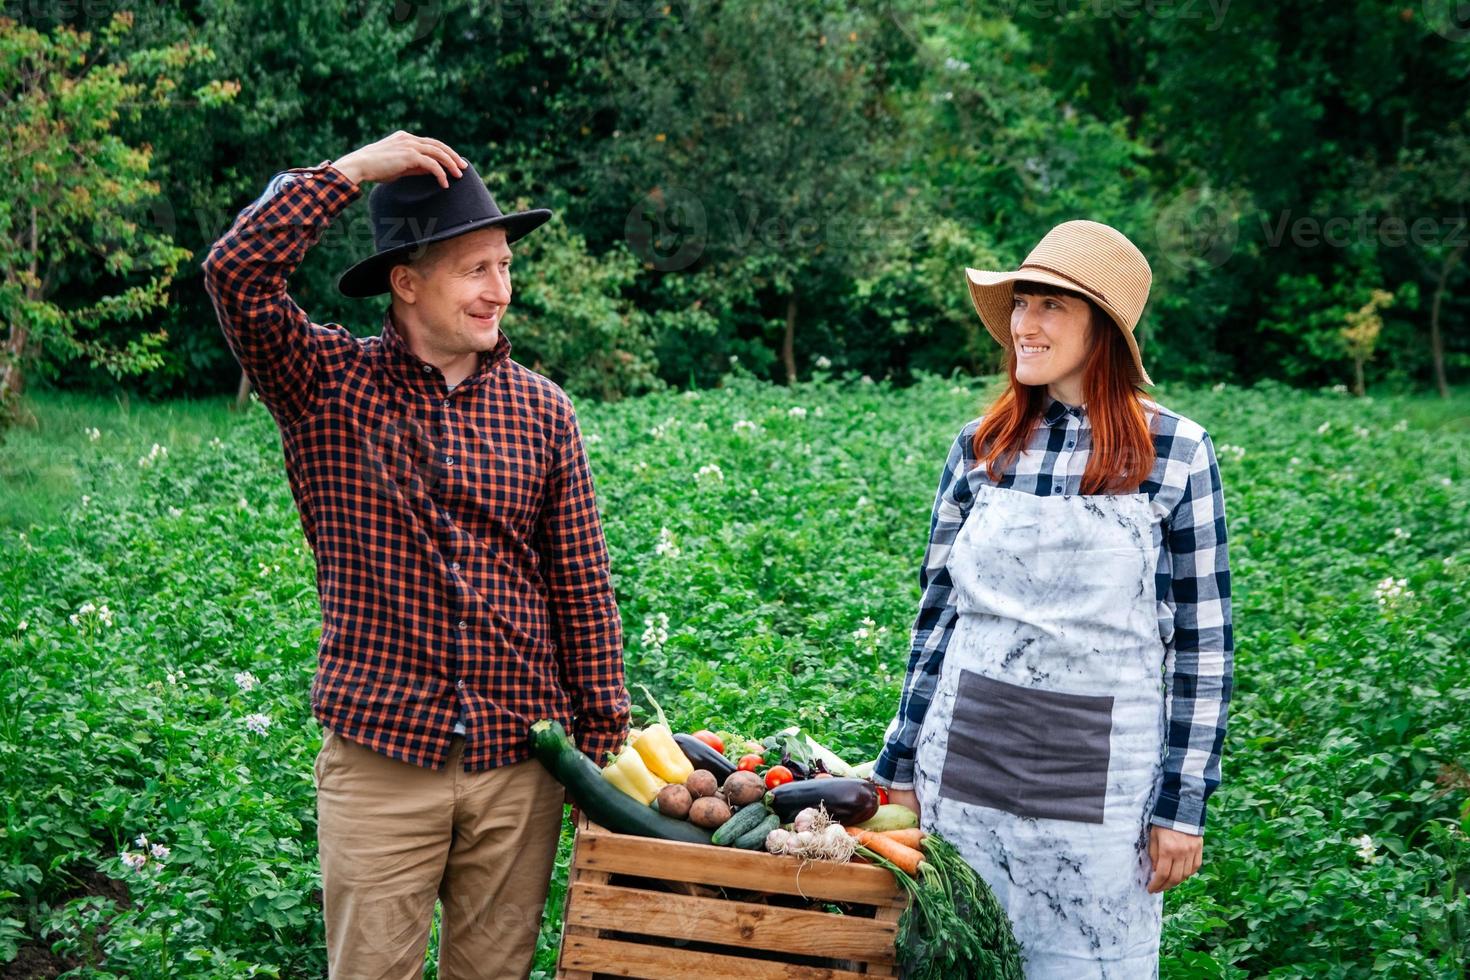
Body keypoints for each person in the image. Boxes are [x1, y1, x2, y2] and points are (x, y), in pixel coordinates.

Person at [202, 131, 631, 979]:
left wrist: (601, 750)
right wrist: (350, 172)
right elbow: (235, 275)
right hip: (382, 760)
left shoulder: (542, 411)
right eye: (476, 269)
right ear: (406, 282)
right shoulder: (325, 383)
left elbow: (582, 586)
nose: (500, 290)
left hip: (519, 764)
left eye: (505, 266)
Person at [872, 220, 1234, 978]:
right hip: (964, 763)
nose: (1024, 326)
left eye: (1051, 308)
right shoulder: (981, 447)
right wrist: (897, 761)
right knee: (958, 957)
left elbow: (1205, 644)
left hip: (1103, 786)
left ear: (1101, 330)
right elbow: (936, 616)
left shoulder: (1176, 453)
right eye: (1020, 304)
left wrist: (1182, 806)